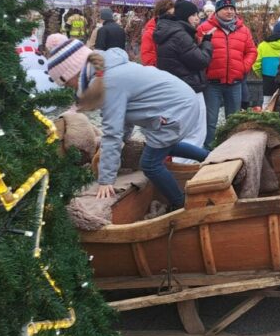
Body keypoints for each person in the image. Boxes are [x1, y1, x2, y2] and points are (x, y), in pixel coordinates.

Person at [45, 34, 208, 209]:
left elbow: (112, 131)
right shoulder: (107, 70)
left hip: (175, 110)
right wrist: (123, 140)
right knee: (164, 145)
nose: (73, 89)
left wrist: (106, 179)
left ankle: (180, 204)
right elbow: (125, 116)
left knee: (150, 165)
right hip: (182, 102)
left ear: (74, 73)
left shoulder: (106, 82)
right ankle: (209, 157)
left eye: (69, 85)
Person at [196, 0, 257, 148]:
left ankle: (231, 149)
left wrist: (243, 67)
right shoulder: (204, 28)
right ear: (217, 11)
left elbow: (252, 51)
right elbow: (196, 51)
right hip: (212, 83)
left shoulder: (243, 30)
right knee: (210, 120)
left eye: (232, 8)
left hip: (235, 83)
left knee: (234, 120)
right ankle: (207, 150)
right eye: (225, 8)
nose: (229, 11)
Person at [153, 0, 213, 154]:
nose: (197, 18)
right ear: (186, 16)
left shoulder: (169, 32)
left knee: (181, 130)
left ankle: (181, 165)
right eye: (193, 15)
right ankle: (187, 166)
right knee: (195, 131)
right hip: (189, 87)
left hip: (175, 87)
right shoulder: (180, 35)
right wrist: (207, 43)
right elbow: (201, 60)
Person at [253, 20, 280, 109]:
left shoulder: (263, 45)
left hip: (268, 79)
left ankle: (266, 122)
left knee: (267, 103)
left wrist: (262, 75)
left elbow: (256, 64)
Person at [141, 0, 176, 66]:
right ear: (159, 15)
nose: (171, 17)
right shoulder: (150, 33)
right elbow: (148, 60)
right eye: (168, 14)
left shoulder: (174, 30)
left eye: (173, 14)